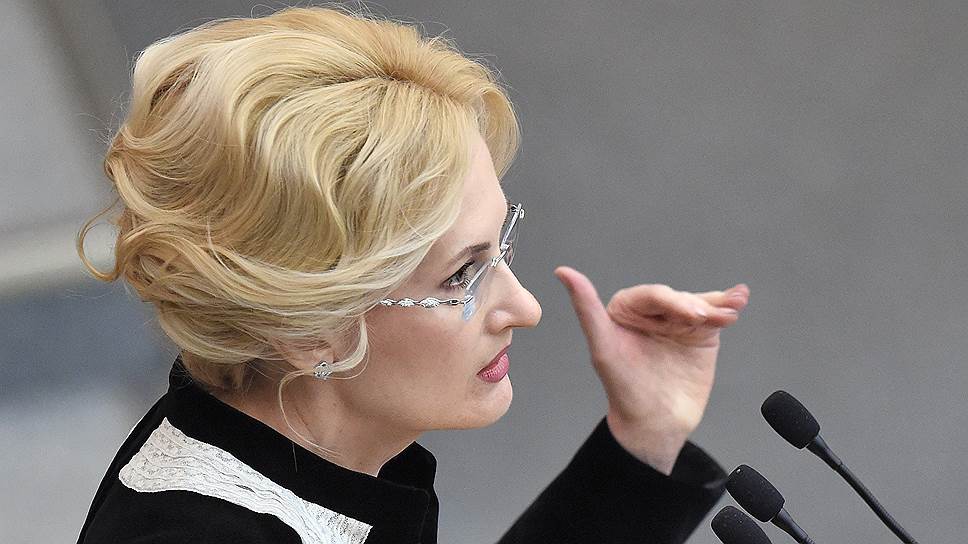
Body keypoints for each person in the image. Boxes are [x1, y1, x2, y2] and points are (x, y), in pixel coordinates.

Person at [74, 5, 750, 543]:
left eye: (502, 244)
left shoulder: (315, 453)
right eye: (461, 275)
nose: (525, 308)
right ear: (308, 330)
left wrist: (645, 432)